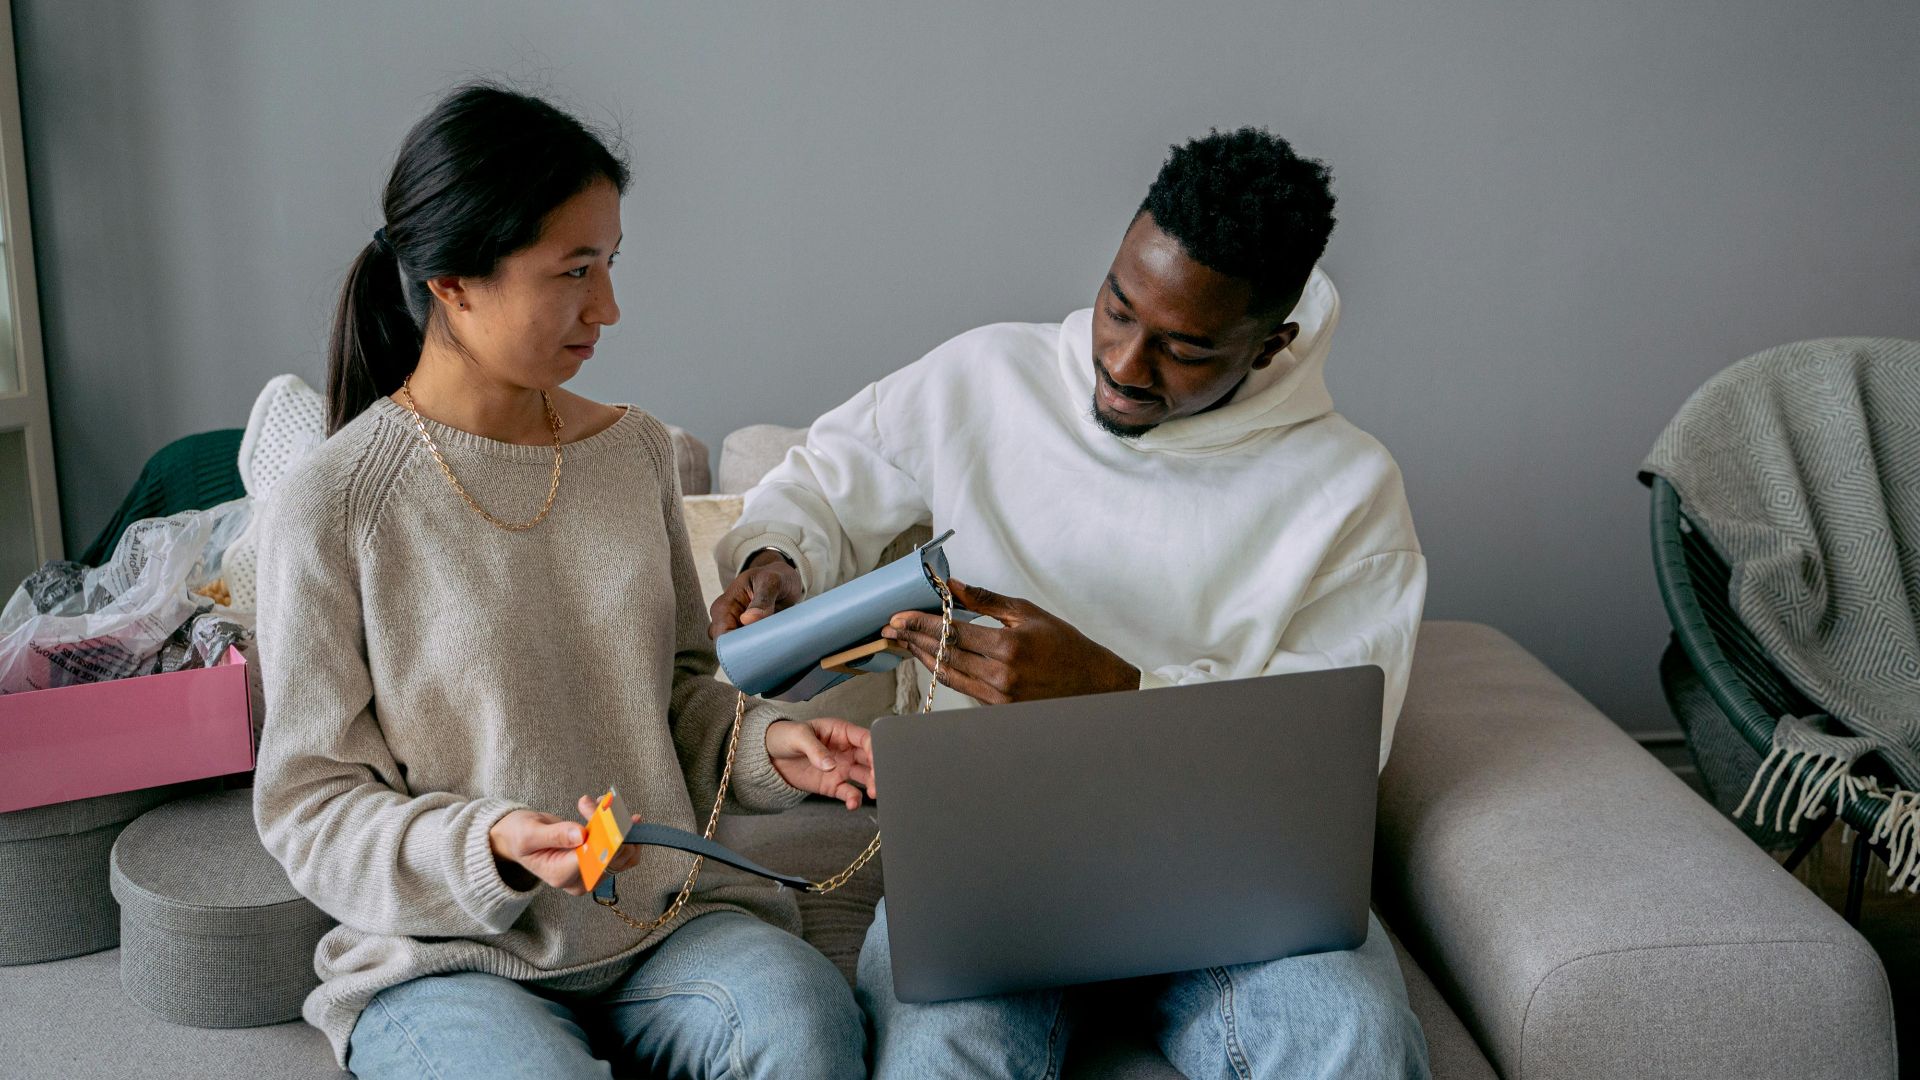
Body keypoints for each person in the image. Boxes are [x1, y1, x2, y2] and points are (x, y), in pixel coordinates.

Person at [711, 128, 1430, 1078]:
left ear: (1272, 345)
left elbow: (1329, 754)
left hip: (1231, 879)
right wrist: (775, 557)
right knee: (940, 1051)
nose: (1126, 364)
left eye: (1185, 347)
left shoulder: (1347, 487)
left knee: (1355, 1037)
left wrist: (1113, 690)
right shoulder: (988, 377)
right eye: (1118, 308)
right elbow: (822, 481)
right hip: (994, 856)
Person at [252, 84, 870, 1080]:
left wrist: (773, 745)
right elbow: (310, 805)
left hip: (665, 925)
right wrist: (489, 844)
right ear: (455, 282)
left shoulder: (635, 454)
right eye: (573, 271)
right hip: (444, 960)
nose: (609, 308)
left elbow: (675, 700)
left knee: (803, 1027)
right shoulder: (334, 502)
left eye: (611, 264)